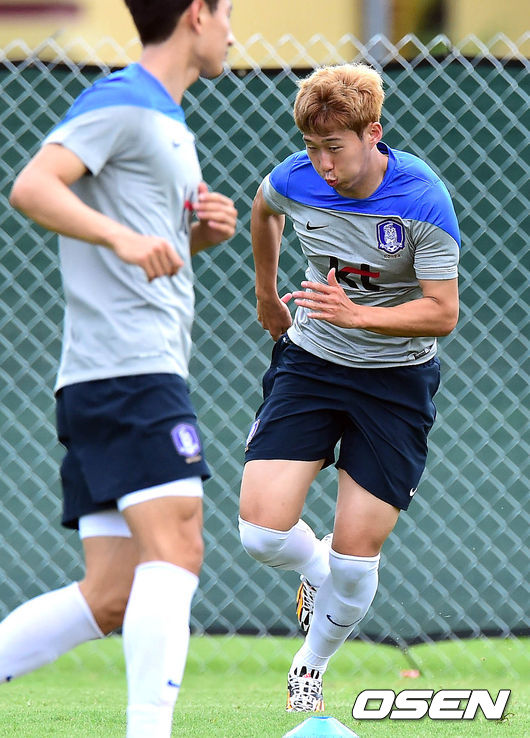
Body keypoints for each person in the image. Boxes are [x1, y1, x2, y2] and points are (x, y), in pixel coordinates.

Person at [2, 1, 236, 736]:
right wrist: (124, 238)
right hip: (130, 373)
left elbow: (149, 252)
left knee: (110, 594)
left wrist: (192, 240)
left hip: (116, 373)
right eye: (228, 13)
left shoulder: (166, 119)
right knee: (180, 545)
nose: (233, 32)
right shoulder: (124, 100)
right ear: (196, 15)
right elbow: (32, 186)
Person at [239, 63, 460, 712]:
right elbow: (263, 209)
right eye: (312, 147)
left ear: (373, 134)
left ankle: (310, 666)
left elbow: (443, 312)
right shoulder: (297, 178)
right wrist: (266, 297)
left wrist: (358, 315)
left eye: (334, 147)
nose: (323, 164)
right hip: (311, 364)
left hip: (395, 382)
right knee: (260, 535)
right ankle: (317, 571)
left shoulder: (422, 199)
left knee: (357, 560)